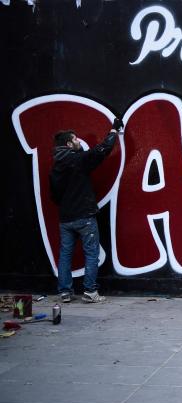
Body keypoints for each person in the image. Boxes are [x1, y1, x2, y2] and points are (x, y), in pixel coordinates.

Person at [50, 118, 123, 303]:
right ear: (68, 144)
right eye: (75, 140)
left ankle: (65, 292)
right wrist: (113, 131)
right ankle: (90, 291)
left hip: (66, 218)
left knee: (65, 254)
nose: (79, 141)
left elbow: (54, 196)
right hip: (84, 216)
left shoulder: (56, 167)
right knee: (91, 253)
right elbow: (101, 151)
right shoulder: (78, 160)